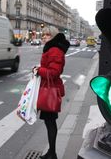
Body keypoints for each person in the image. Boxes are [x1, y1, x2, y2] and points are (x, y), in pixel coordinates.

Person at [33, 26, 69, 159]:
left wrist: (39, 70)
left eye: (47, 35)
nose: (43, 37)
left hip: (51, 91)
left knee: (50, 122)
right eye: (43, 34)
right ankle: (51, 152)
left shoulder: (54, 50)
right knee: (50, 122)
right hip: (49, 88)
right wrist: (40, 68)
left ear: (53, 36)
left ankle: (52, 153)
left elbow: (54, 72)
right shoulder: (52, 49)